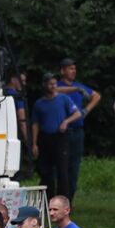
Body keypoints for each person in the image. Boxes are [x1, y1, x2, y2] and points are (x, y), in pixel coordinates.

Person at [55, 57, 101, 201]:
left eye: (74, 68)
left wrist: (86, 110)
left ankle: (69, 201)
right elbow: (55, 90)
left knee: (74, 168)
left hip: (78, 131)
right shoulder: (58, 86)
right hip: (63, 132)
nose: (73, 71)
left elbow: (97, 96)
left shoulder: (79, 86)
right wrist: (75, 89)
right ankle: (59, 199)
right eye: (70, 68)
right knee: (62, 168)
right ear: (62, 71)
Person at [32, 72, 81, 201]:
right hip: (45, 138)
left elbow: (77, 113)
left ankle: (64, 200)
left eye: (54, 84)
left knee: (62, 171)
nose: (53, 86)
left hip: (60, 137)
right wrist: (34, 143)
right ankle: (48, 199)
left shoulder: (63, 99)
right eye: (50, 84)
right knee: (46, 171)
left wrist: (66, 121)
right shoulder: (39, 104)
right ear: (44, 85)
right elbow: (35, 124)